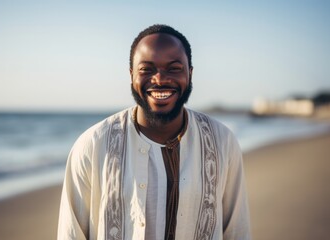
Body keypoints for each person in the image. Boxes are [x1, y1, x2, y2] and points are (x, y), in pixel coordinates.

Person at [58, 24, 251, 240]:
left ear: (190, 73)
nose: (159, 79)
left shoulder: (222, 142)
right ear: (131, 75)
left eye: (174, 68)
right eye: (146, 70)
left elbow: (237, 232)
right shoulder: (92, 145)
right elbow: (71, 234)